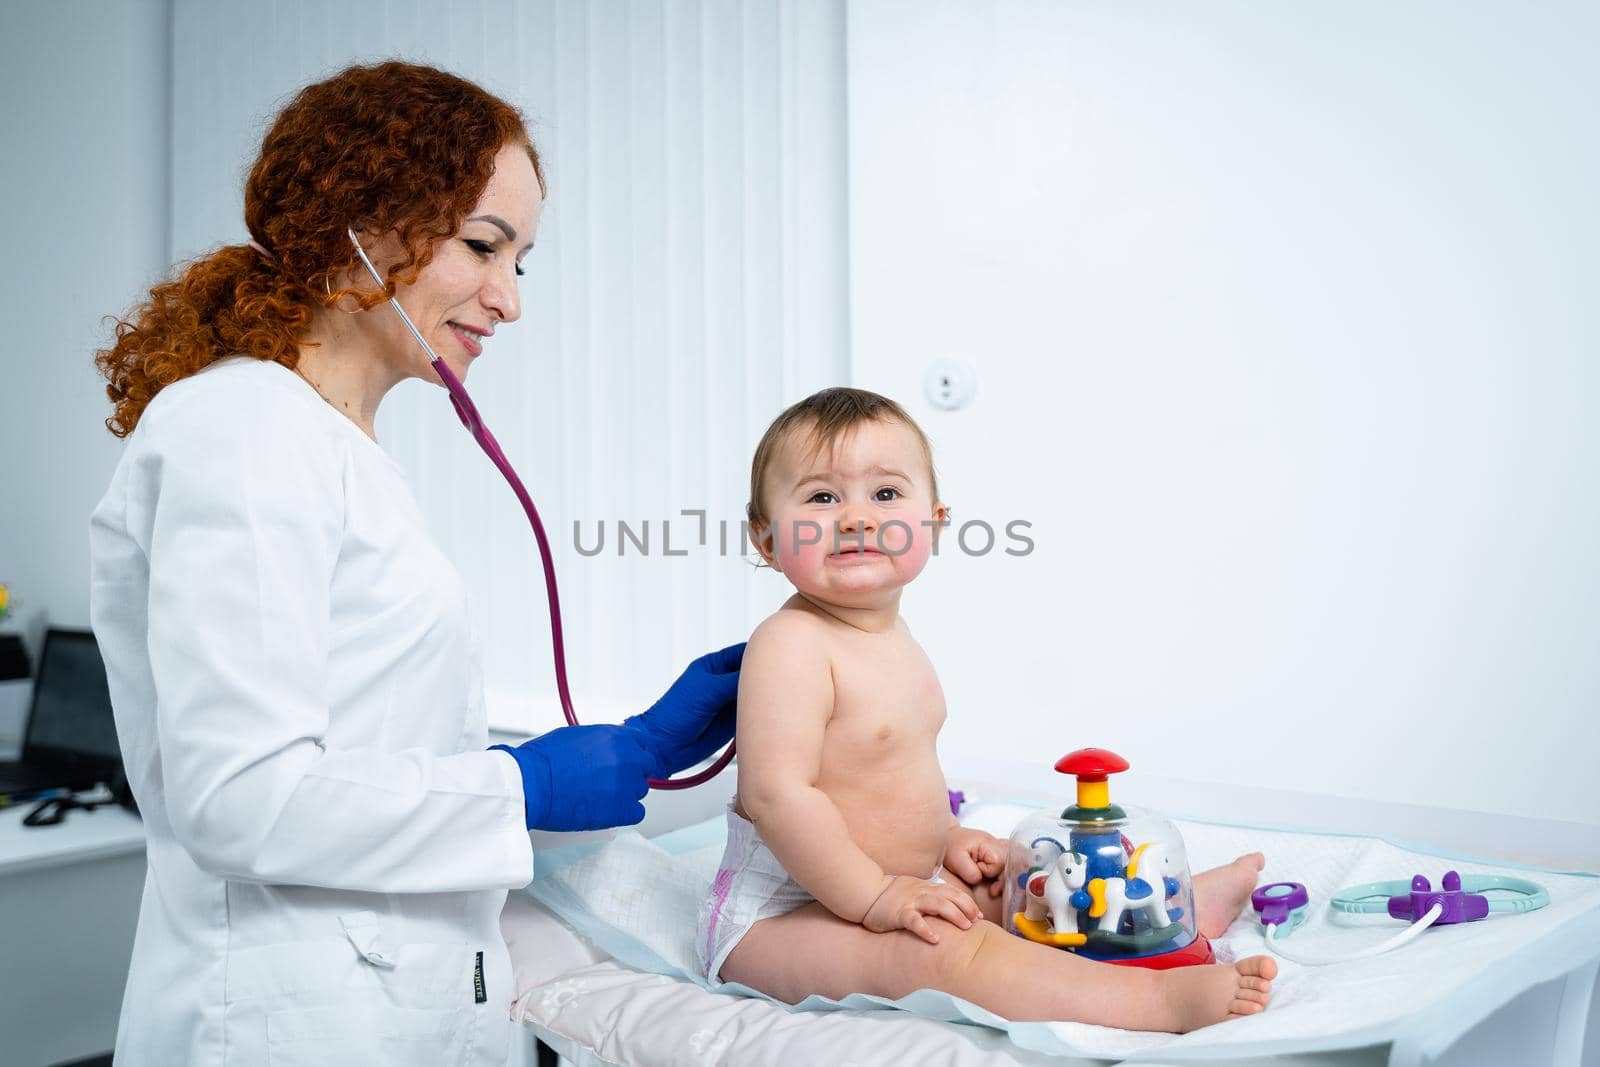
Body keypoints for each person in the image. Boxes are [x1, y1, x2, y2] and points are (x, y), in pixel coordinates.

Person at [89, 61, 740, 1066]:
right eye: (484, 246)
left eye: (521, 260)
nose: (508, 299)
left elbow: (381, 746)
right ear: (362, 221)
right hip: (286, 1018)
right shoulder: (245, 429)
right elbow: (241, 801)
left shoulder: (330, 443)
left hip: (408, 998)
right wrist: (517, 785)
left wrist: (639, 749)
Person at [695, 387, 1277, 1032]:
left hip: (892, 881)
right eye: (822, 498)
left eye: (885, 494)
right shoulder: (790, 644)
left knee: (1025, 880)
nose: (857, 517)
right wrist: (878, 896)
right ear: (766, 536)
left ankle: (1166, 921)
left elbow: (882, 777)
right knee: (945, 951)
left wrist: (945, 842)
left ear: (935, 523)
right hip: (781, 916)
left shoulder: (893, 637)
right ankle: (1153, 1003)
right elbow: (779, 797)